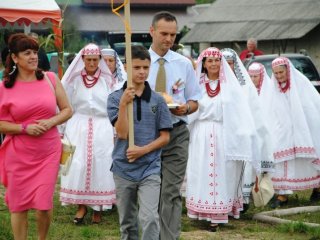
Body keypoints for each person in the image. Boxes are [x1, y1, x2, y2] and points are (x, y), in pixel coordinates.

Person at [0, 33, 72, 240]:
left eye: (35, 52)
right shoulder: (5, 87)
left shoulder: (50, 79)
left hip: (47, 152)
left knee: (43, 204)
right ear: (15, 58)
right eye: (27, 53)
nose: (33, 56)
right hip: (18, 153)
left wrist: (51, 122)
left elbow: (67, 110)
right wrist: (24, 128)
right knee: (18, 205)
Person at [185, 47, 259, 230]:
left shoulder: (229, 86)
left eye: (217, 60)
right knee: (202, 170)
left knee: (223, 172)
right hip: (201, 133)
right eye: (209, 61)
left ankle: (218, 214)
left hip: (223, 134)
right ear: (203, 64)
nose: (213, 64)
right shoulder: (196, 85)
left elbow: (240, 112)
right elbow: (189, 111)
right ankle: (204, 211)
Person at [107, 45, 172, 240]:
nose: (142, 72)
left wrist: (143, 151)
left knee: (150, 218)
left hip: (150, 168)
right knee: (127, 223)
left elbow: (165, 137)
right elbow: (122, 134)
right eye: (137, 67)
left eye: (145, 67)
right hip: (123, 168)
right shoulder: (115, 98)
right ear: (126, 67)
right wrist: (123, 104)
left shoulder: (158, 101)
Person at [147, 11, 201, 240]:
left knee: (170, 191)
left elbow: (194, 100)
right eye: (164, 34)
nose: (169, 39)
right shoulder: (138, 62)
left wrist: (185, 108)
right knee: (151, 191)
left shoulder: (184, 64)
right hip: (147, 135)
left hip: (176, 132)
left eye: (173, 34)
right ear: (152, 32)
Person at [59, 43, 117, 224]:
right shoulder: (73, 79)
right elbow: (64, 104)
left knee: (101, 163)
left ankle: (98, 208)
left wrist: (115, 128)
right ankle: (81, 206)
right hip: (78, 125)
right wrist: (62, 129)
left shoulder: (108, 80)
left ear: (100, 60)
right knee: (78, 163)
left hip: (102, 126)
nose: (92, 63)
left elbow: (115, 105)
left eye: (95, 60)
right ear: (82, 59)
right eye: (88, 59)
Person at [221, 48, 274, 211]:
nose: (227, 67)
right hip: (222, 134)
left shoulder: (245, 86)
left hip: (241, 133)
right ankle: (222, 202)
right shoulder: (217, 84)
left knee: (242, 170)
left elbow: (254, 112)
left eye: (230, 64)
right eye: (224, 64)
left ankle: (241, 202)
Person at [264, 57, 320, 207]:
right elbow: (270, 109)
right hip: (283, 132)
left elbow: (311, 107)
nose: (279, 76)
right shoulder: (274, 88)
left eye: (281, 72)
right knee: (282, 160)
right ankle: (282, 195)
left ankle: (317, 188)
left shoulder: (301, 85)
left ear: (288, 70)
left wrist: (302, 126)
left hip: (303, 130)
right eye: (275, 73)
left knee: (309, 160)